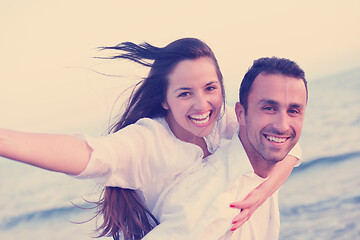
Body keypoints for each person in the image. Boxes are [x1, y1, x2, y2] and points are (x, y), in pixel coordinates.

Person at [0, 39, 301, 240]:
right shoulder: (149, 141)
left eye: (210, 88)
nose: (202, 105)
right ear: (166, 99)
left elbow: (288, 148)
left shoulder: (224, 121)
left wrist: (263, 192)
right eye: (185, 93)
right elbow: (89, 154)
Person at [142, 57, 308, 240]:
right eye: (269, 108)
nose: (283, 126)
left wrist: (264, 191)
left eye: (293, 111)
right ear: (240, 115)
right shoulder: (217, 199)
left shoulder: (263, 162)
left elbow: (295, 150)